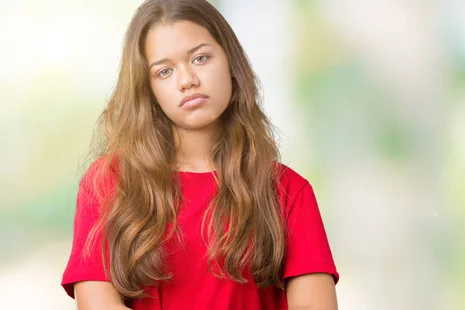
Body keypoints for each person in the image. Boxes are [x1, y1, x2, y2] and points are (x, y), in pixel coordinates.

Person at [60, 0, 339, 309]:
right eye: (164, 71)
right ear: (147, 88)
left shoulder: (289, 192)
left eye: (201, 58)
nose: (187, 80)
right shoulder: (108, 184)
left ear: (231, 62)